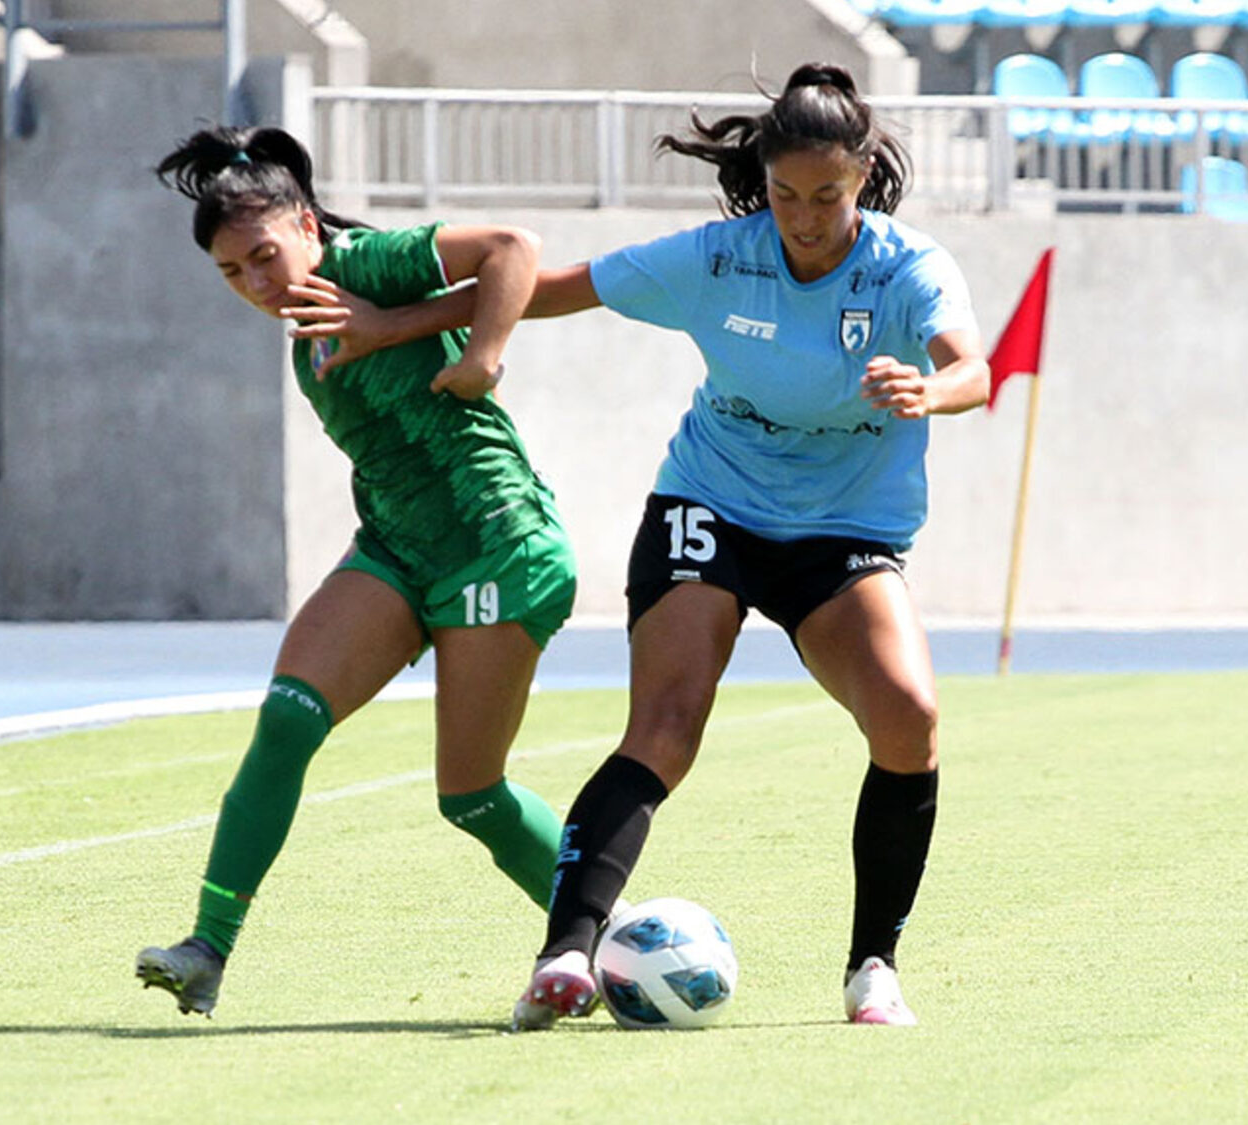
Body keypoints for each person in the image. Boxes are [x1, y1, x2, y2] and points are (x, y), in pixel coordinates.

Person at [292, 63, 990, 1029]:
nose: (804, 216)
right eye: (785, 195)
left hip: (845, 532)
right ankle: (565, 954)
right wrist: (391, 325)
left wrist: (930, 392)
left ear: (863, 175)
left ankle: (873, 966)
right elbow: (552, 289)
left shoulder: (909, 268)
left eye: (826, 195)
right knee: (665, 726)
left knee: (909, 716)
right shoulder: (718, 257)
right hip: (711, 506)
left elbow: (974, 369)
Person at [131, 124, 580, 1019]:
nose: (257, 285)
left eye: (264, 255)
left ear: (306, 223)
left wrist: (483, 356)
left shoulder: (367, 265)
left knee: (472, 796)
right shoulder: (306, 337)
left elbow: (512, 251)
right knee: (286, 719)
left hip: (496, 542)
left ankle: (601, 928)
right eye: (232, 274)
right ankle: (206, 949)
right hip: (396, 550)